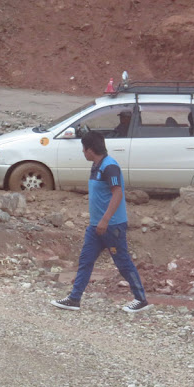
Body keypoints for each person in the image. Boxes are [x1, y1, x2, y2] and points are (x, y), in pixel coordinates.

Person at [51, 131, 150, 313]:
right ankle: (74, 298)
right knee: (85, 260)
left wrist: (105, 219)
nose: (82, 152)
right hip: (96, 227)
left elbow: (118, 193)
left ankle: (141, 299)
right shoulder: (96, 166)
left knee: (122, 262)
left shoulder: (110, 166)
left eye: (83, 149)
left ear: (90, 150)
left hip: (111, 226)